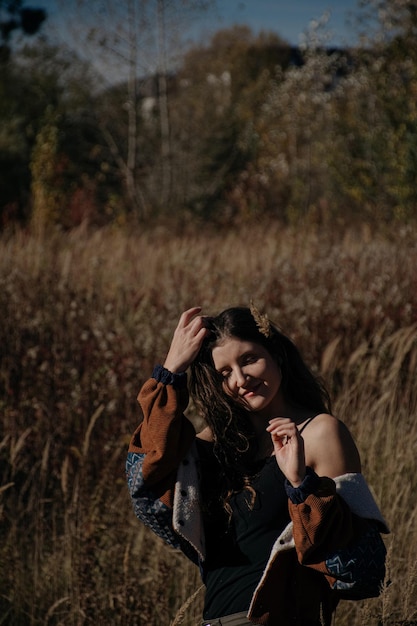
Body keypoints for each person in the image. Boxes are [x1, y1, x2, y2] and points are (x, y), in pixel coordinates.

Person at [126, 305, 389, 626]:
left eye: (249, 359)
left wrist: (301, 486)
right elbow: (144, 482)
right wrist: (170, 373)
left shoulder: (320, 433)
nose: (240, 379)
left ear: (277, 353)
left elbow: (360, 568)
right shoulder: (210, 446)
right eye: (225, 373)